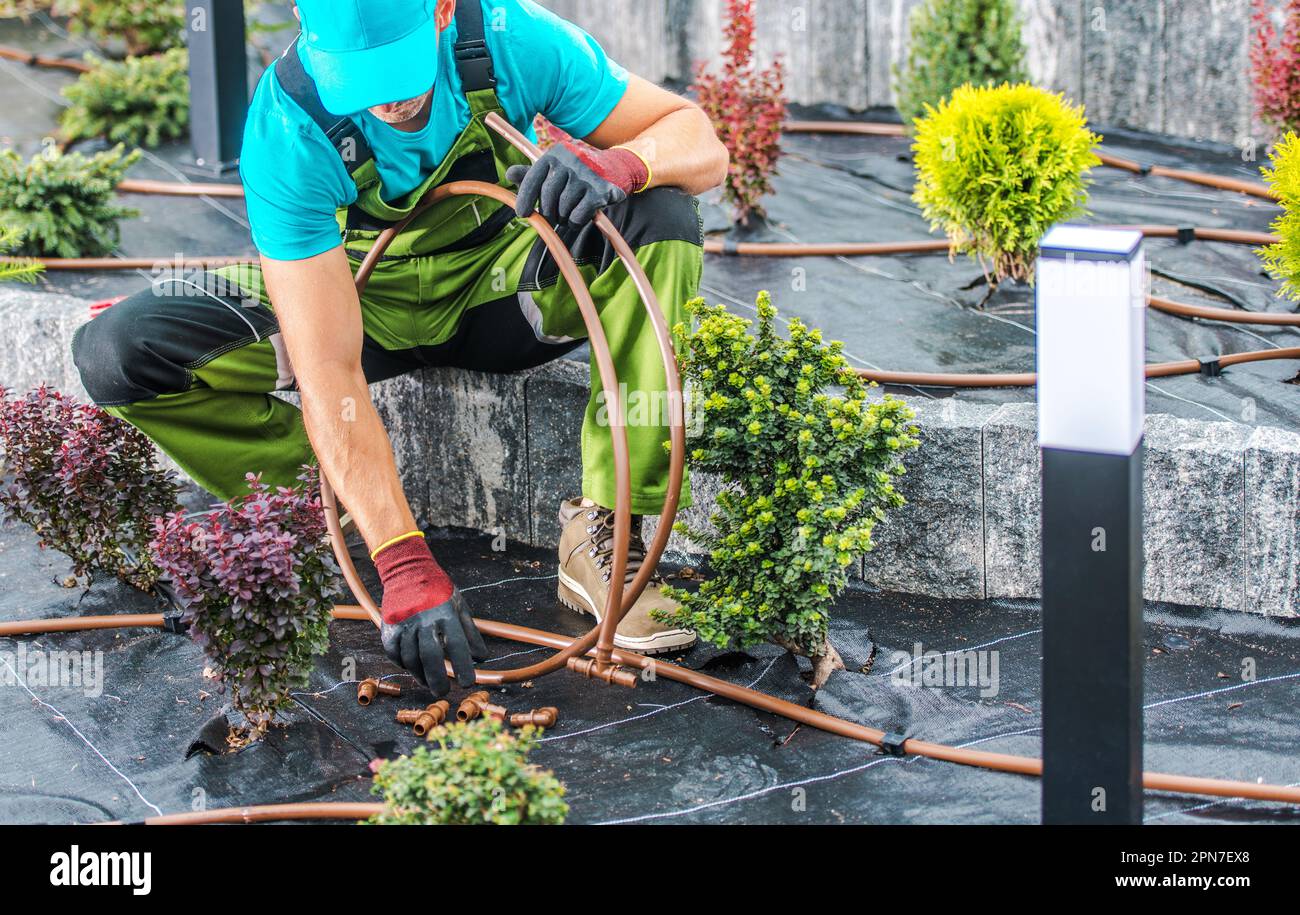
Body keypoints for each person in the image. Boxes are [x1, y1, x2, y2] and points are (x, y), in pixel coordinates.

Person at [71, 0, 728, 698]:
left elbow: (698, 139)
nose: (383, 101)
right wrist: (400, 556)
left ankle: (605, 531)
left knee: (661, 213)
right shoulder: (288, 123)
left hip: (507, 293)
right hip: (359, 300)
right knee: (121, 351)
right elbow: (326, 363)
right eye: (358, 80)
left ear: (443, 10)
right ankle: (324, 502)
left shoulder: (510, 39)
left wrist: (624, 162)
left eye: (396, 72)